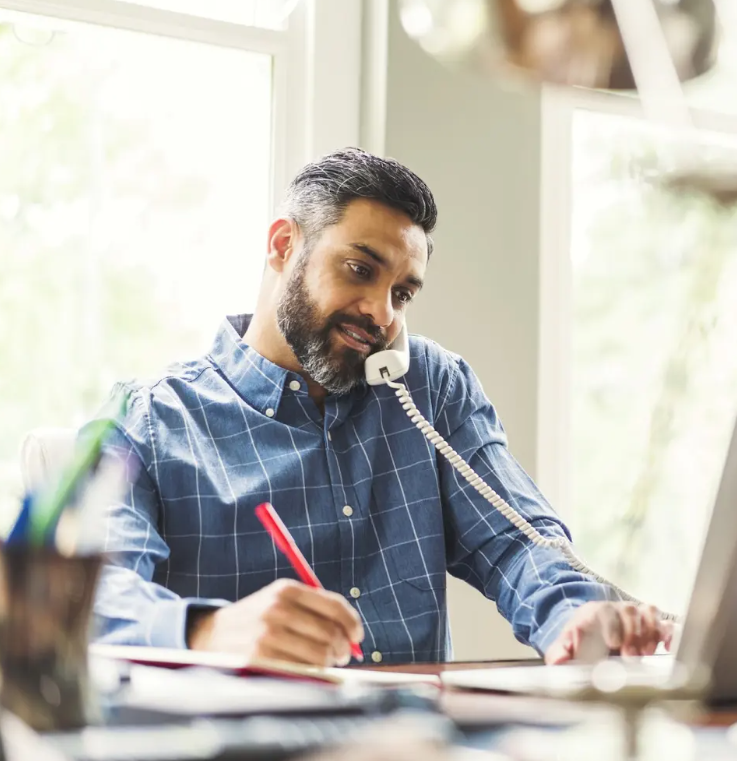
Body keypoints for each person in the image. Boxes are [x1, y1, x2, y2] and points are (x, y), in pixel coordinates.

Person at [92, 148, 670, 667]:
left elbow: (516, 539)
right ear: (283, 246)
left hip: (416, 734)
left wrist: (574, 614)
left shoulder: (431, 388)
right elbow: (91, 595)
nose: (381, 313)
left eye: (402, 293)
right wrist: (207, 631)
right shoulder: (148, 421)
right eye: (360, 270)